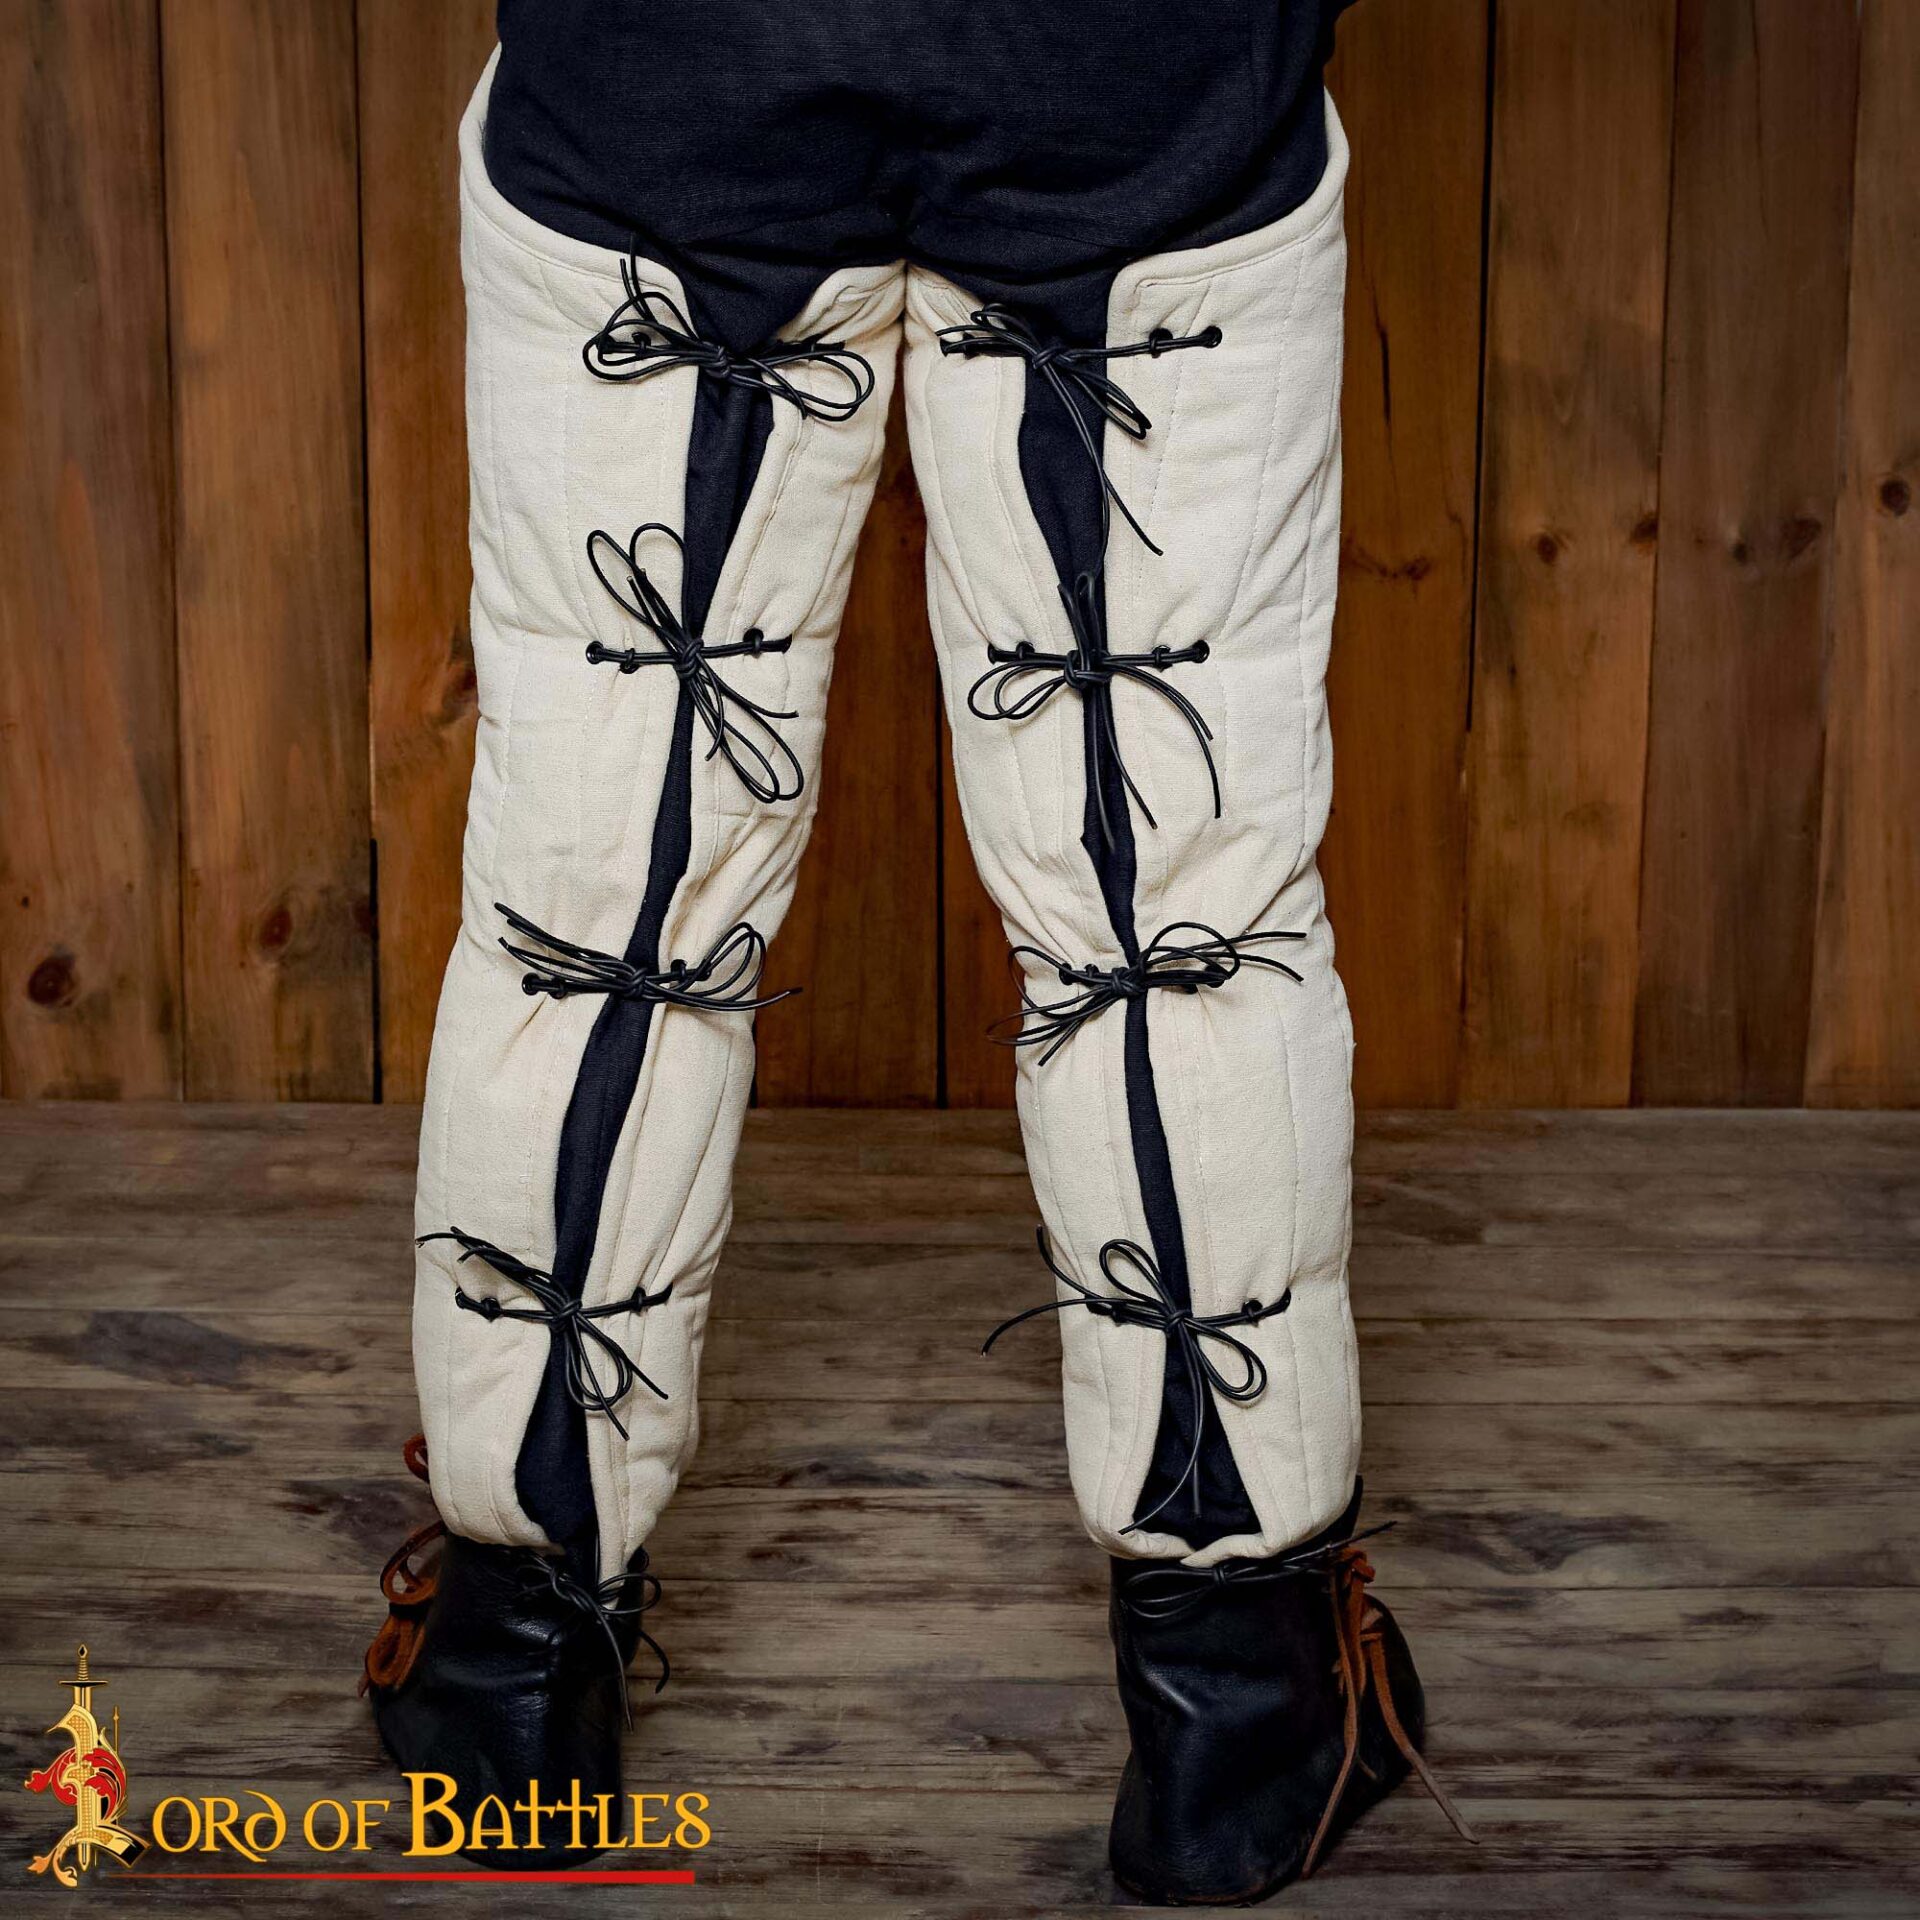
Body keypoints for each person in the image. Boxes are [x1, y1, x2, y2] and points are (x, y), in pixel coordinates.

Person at [362, 1, 1469, 1898]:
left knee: (598, 907)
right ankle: (1245, 1714)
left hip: (664, 79)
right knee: (1176, 919)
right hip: (1138, 83)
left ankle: (513, 1677)